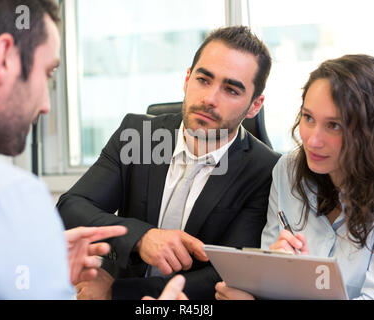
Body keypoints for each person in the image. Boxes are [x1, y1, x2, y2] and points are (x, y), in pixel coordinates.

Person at [0, 0, 183, 300]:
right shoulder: (7, 197)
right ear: (4, 57)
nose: (46, 104)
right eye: (46, 74)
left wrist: (34, 269)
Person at [57, 26, 280, 300]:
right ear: (187, 79)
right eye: (203, 80)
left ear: (255, 105)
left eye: (231, 90)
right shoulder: (137, 135)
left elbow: (229, 275)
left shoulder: (265, 170)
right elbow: (71, 208)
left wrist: (115, 292)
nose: (209, 99)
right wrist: (142, 237)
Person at [215, 54, 374, 300]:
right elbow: (266, 276)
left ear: (371, 130)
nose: (312, 140)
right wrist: (272, 271)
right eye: (308, 117)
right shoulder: (288, 170)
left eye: (334, 125)